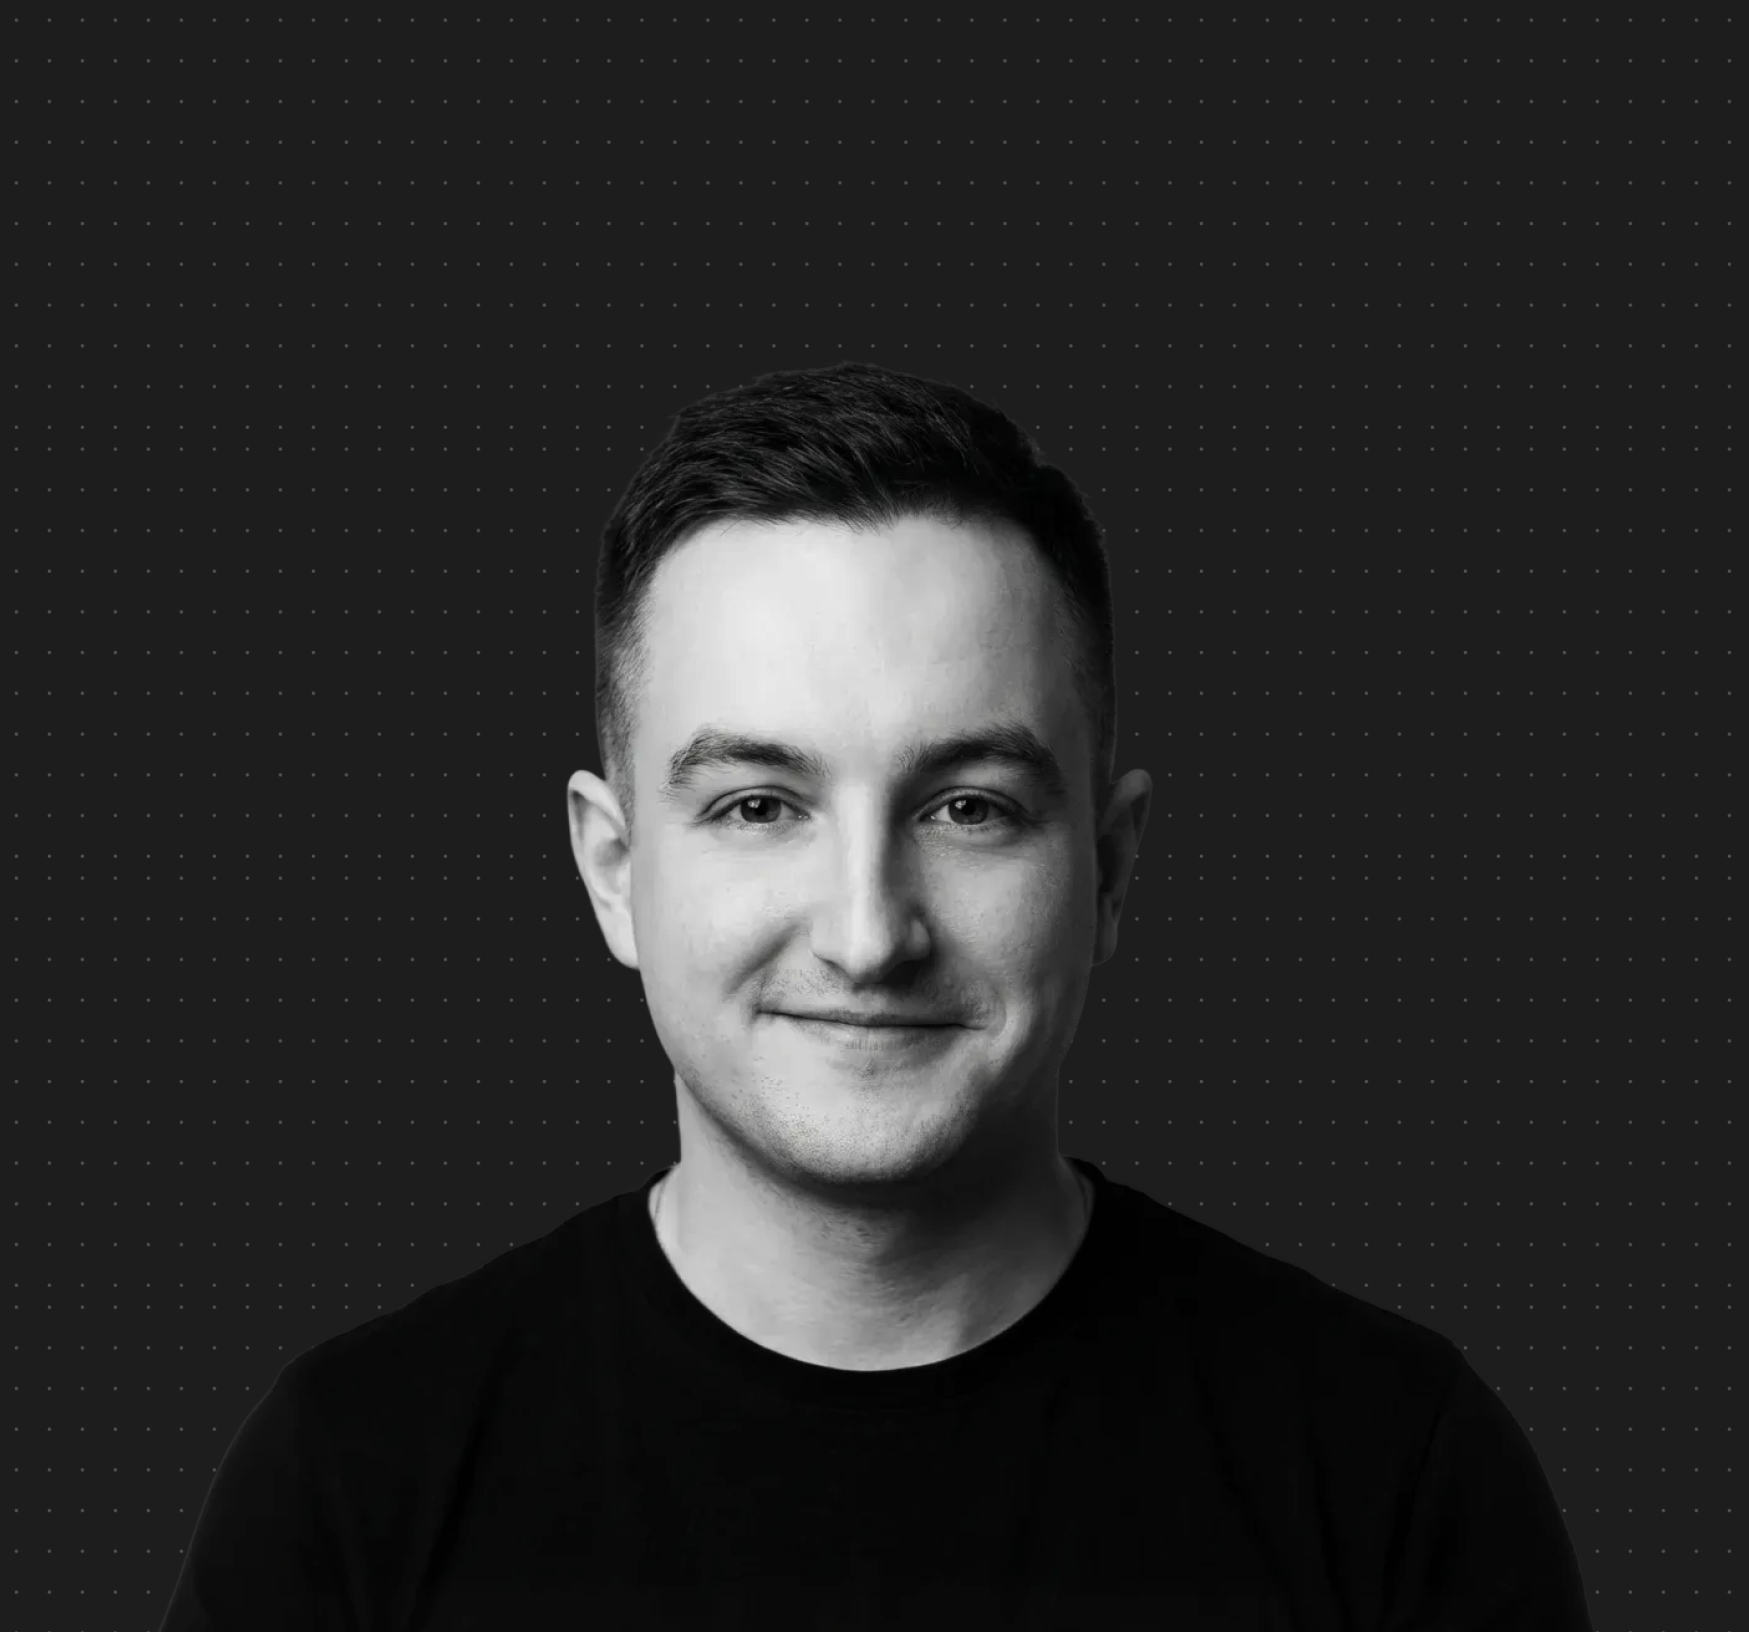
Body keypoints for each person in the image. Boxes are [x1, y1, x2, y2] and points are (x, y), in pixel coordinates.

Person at [158, 362, 1593, 1629]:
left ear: (1109, 869)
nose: (867, 934)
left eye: (968, 806)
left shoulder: (1393, 1474)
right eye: (757, 804)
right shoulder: (353, 1485)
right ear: (614, 869)